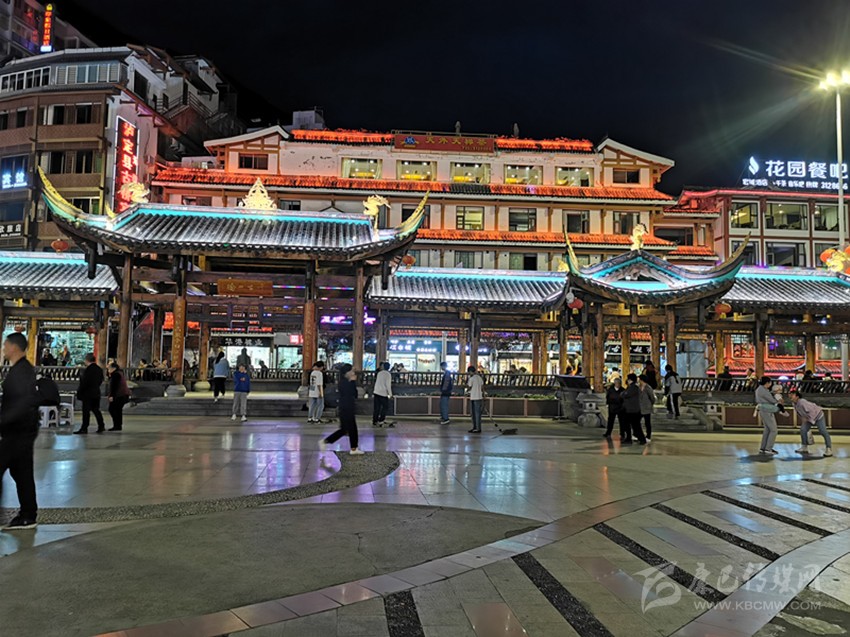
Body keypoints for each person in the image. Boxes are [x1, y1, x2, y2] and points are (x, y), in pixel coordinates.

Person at [0, 332, 40, 530]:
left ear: (14, 347)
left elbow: (22, 403)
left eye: (5, 345)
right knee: (22, 473)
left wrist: (3, 421)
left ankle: (28, 514)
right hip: (20, 431)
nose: (3, 349)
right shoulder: (22, 369)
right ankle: (28, 515)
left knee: (20, 472)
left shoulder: (21, 372)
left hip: (17, 432)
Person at [320, 364, 363, 455]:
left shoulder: (349, 381)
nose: (353, 373)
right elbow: (348, 394)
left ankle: (354, 448)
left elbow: (355, 394)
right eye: (351, 371)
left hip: (349, 406)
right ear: (347, 372)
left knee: (350, 429)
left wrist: (353, 382)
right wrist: (352, 382)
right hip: (345, 407)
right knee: (346, 429)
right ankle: (326, 441)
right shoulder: (343, 383)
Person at [789, 390, 833, 457]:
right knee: (803, 430)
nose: (790, 396)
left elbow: (812, 411)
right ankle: (804, 447)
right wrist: (803, 419)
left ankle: (828, 448)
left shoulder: (802, 402)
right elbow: (799, 413)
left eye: (792, 394)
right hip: (808, 418)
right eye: (790, 394)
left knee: (823, 431)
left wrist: (810, 420)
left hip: (818, 416)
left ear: (797, 397)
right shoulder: (794, 403)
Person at [75, 353, 105, 434]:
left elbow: (85, 382)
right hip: (96, 392)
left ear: (86, 360)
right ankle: (101, 425)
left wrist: (80, 391)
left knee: (86, 412)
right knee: (96, 410)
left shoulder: (88, 370)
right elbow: (100, 380)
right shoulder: (99, 369)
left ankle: (84, 428)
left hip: (87, 394)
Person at [755, 376, 784, 455]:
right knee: (773, 430)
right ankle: (768, 448)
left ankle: (763, 448)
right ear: (767, 383)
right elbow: (772, 400)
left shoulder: (760, 389)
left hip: (763, 410)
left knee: (767, 429)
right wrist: (779, 400)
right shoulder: (763, 390)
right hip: (767, 410)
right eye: (770, 382)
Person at [621, 373, 646, 444]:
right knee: (631, 425)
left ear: (630, 380)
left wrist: (623, 394)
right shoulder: (632, 387)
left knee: (636, 426)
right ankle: (630, 438)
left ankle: (641, 439)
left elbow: (625, 394)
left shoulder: (633, 388)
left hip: (632, 410)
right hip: (631, 409)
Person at [106, 361, 131, 432]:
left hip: (118, 395)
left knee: (112, 409)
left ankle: (116, 425)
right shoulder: (120, 373)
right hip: (122, 395)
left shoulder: (116, 375)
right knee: (118, 410)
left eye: (109, 368)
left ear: (113, 368)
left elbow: (114, 386)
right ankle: (118, 425)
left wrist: (112, 396)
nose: (108, 370)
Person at [372, 362, 393, 427]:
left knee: (376, 408)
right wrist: (390, 394)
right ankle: (381, 420)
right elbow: (388, 385)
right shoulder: (388, 374)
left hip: (376, 392)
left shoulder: (379, 373)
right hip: (383, 393)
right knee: (385, 407)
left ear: (383, 367)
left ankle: (375, 420)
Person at [467, 365, 484, 434]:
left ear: (471, 371)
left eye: (469, 372)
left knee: (473, 413)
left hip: (473, 397)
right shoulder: (479, 378)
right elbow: (482, 387)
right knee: (478, 413)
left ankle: (475, 427)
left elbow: (469, 387)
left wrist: (466, 391)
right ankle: (478, 427)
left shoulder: (471, 379)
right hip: (479, 397)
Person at [639, 374, 655, 442]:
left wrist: (650, 404)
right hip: (639, 407)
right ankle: (638, 434)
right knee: (637, 421)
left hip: (647, 407)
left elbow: (652, 397)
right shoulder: (638, 387)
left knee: (647, 422)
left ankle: (648, 436)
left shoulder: (648, 388)